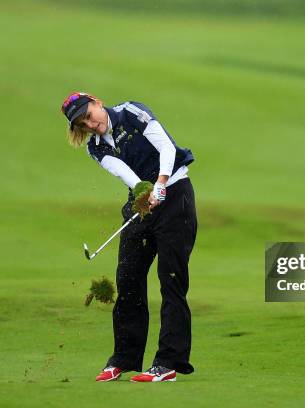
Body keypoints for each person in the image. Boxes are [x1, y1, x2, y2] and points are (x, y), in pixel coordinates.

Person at [61, 92, 197, 382]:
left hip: (176, 196)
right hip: (145, 201)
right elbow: (127, 175)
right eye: (83, 123)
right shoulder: (96, 149)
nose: (90, 123)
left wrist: (161, 183)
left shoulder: (131, 113)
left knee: (171, 280)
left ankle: (168, 363)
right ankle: (124, 357)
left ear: (97, 102)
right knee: (128, 278)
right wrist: (146, 192)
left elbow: (166, 147)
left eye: (89, 114)